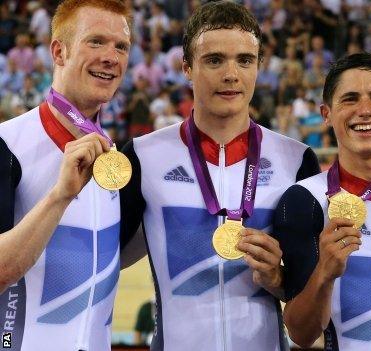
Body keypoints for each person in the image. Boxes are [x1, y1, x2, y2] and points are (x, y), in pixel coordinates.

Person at [119, 2, 320, 350]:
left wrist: (278, 279)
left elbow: (310, 299)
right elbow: (104, 260)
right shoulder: (142, 157)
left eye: (245, 60)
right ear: (186, 67)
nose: (232, 74)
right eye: (214, 60)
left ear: (258, 67)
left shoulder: (297, 160)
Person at [272, 52, 371, 350]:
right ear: (326, 114)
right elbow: (301, 333)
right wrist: (324, 272)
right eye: (349, 99)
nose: (365, 110)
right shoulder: (304, 200)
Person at [0, 0, 131, 350]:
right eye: (96, 41)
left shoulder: (117, 161)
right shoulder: (7, 145)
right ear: (59, 51)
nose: (111, 56)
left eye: (121, 47)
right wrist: (60, 195)